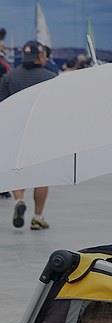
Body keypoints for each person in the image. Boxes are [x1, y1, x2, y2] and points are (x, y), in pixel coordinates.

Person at [0, 41, 56, 230]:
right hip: (42, 132)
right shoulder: (50, 77)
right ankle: (38, 217)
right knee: (42, 176)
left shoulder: (10, 76)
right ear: (40, 56)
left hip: (16, 132)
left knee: (17, 171)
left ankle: (19, 200)